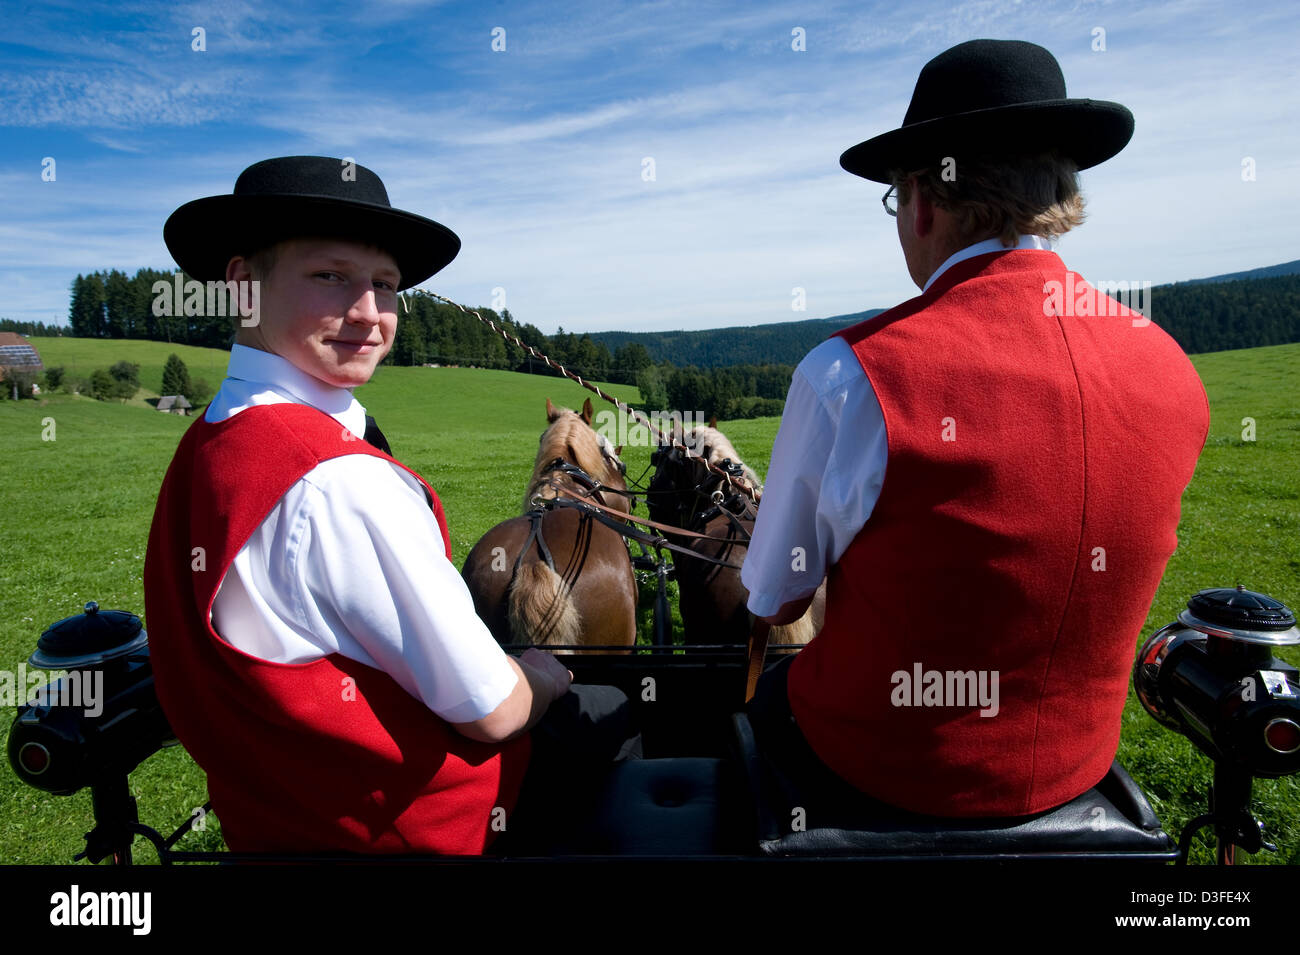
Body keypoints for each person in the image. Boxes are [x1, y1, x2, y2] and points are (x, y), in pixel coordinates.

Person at [740, 40, 1209, 818]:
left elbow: (774, 598)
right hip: (1077, 767)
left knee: (757, 712)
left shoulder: (850, 374)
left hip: (875, 771)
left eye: (897, 200)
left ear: (924, 198)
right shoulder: (1170, 366)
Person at [144, 155, 637, 856]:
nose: (369, 314)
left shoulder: (209, 441)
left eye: (384, 286)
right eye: (330, 276)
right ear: (243, 285)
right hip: (419, 832)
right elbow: (492, 712)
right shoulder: (339, 481)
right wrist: (540, 677)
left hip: (273, 821)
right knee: (614, 710)